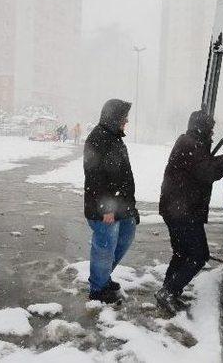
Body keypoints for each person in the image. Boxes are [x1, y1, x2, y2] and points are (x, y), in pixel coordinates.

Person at [155, 110, 223, 315]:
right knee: (199, 255)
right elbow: (210, 171)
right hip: (182, 211)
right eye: (211, 129)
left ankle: (168, 290)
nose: (213, 133)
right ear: (203, 128)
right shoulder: (190, 145)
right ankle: (169, 291)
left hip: (179, 209)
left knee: (182, 253)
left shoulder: (191, 143)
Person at [84, 99, 140, 304]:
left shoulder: (114, 138)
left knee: (126, 237)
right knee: (104, 247)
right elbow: (95, 178)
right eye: (124, 116)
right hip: (106, 209)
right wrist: (106, 208)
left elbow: (123, 176)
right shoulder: (98, 138)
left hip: (122, 206)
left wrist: (130, 208)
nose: (126, 120)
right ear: (113, 117)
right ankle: (98, 289)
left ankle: (103, 277)